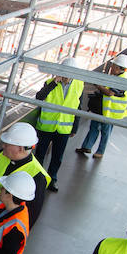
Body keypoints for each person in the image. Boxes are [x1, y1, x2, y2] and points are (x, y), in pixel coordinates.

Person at [76, 45, 127, 160]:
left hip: (111, 113)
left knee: (105, 132)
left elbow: (110, 93)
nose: (111, 67)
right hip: (102, 109)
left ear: (120, 68)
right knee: (93, 127)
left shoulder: (123, 80)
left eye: (113, 65)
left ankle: (100, 151)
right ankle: (86, 147)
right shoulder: (115, 77)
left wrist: (98, 85)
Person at [34, 57, 85, 191]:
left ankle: (52, 179)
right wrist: (54, 83)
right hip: (46, 127)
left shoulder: (79, 85)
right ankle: (37, 178)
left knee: (57, 157)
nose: (66, 76)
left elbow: (78, 107)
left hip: (64, 128)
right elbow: (39, 97)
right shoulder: (50, 83)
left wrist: (75, 127)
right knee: (40, 154)